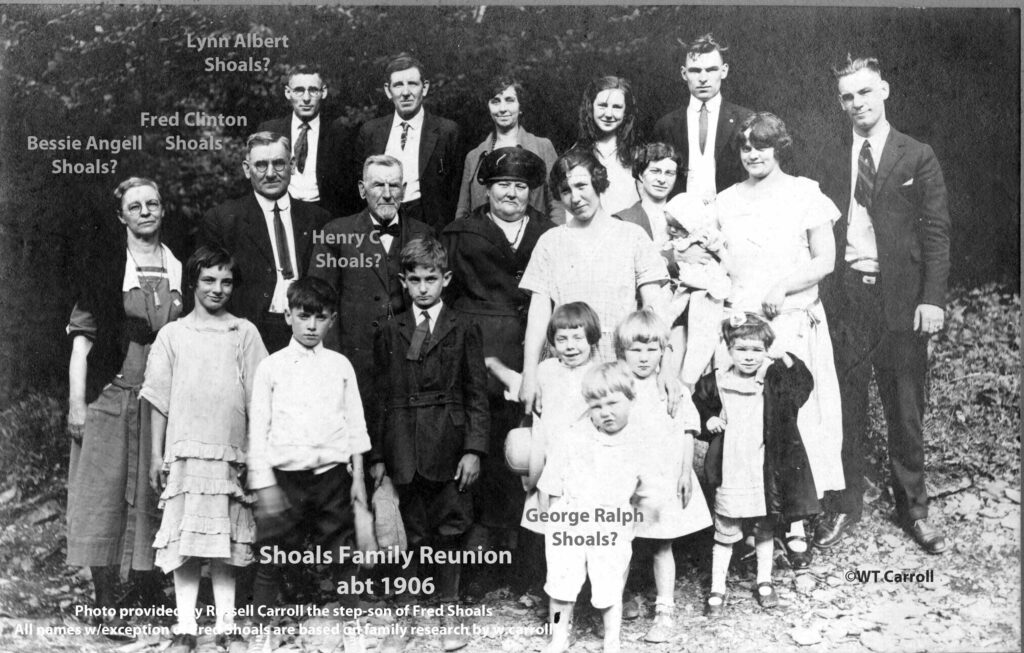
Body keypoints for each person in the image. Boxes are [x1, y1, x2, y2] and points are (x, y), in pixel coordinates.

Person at [815, 56, 951, 555]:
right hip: (848, 295)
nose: (857, 104)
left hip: (900, 297)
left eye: (865, 93)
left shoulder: (916, 155)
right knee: (846, 404)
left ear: (885, 91)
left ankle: (912, 507)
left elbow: (936, 233)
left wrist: (931, 299)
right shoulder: (830, 153)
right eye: (848, 97)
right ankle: (846, 502)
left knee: (905, 404)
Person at [715, 112, 846, 568]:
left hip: (790, 320)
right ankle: (754, 521)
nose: (753, 153)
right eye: (745, 146)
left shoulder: (804, 194)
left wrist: (783, 287)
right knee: (750, 424)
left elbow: (825, 260)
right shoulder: (727, 200)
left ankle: (795, 519)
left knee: (793, 420)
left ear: (779, 146)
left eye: (762, 145)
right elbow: (721, 261)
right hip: (744, 328)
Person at [66, 177, 183, 638]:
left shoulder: (177, 266)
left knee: (154, 493)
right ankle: (105, 600)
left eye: (153, 203)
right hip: (111, 394)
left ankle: (148, 589)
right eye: (135, 206)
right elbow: (82, 342)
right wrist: (78, 404)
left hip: (160, 398)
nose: (146, 212)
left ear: (162, 210)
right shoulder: (105, 265)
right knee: (102, 493)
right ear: (122, 216)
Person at [143, 246, 267, 652]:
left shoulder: (244, 333)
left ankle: (228, 626)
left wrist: (254, 453)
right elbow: (158, 400)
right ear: (193, 281)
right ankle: (185, 627)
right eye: (209, 280)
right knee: (186, 542)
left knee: (224, 542)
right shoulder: (173, 335)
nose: (218, 289)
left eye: (226, 281)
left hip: (229, 453)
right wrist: (157, 456)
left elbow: (258, 399)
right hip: (184, 452)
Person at [442, 147, 555, 589]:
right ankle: (478, 570)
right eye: (503, 184)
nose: (511, 193)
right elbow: (444, 299)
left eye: (521, 186)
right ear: (485, 187)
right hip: (477, 358)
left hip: (536, 354)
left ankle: (529, 568)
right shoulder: (459, 233)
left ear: (533, 192)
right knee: (481, 453)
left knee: (531, 458)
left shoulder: (549, 232)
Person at [369, 237, 489, 652]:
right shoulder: (389, 329)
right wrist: (379, 456)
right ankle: (405, 610)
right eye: (415, 280)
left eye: (431, 279)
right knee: (410, 530)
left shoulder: (463, 326)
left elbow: (476, 392)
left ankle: (449, 607)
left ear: (446, 279)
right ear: (403, 281)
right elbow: (380, 397)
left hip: (450, 444)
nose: (423, 288)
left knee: (451, 527)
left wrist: (474, 448)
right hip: (403, 443)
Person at [245, 276, 371, 653]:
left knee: (343, 555)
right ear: (288, 316)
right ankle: (262, 632)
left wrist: (358, 478)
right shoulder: (271, 367)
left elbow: (355, 423)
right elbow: (258, 430)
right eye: (304, 316)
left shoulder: (340, 365)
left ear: (332, 320)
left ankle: (353, 628)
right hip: (285, 477)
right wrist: (263, 483)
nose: (312, 326)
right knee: (271, 555)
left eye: (321, 318)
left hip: (332, 475)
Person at [518, 149, 670, 413]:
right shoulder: (551, 242)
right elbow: (539, 314)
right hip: (569, 361)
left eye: (581, 185)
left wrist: (667, 367)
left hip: (621, 363)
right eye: (565, 190)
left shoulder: (632, 236)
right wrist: (529, 375)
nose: (575, 198)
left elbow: (655, 310)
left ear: (598, 183)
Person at [691, 315, 817, 617]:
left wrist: (784, 358)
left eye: (757, 350)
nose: (749, 356)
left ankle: (764, 581)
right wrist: (708, 420)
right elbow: (698, 404)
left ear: (766, 351)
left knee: (764, 528)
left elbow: (802, 387)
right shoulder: (717, 381)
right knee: (725, 530)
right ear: (728, 349)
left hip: (763, 468)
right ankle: (717, 588)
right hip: (730, 468)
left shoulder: (772, 379)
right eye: (741, 349)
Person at [308, 154, 432, 413]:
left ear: (405, 190)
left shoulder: (424, 233)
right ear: (362, 190)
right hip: (354, 362)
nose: (387, 194)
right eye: (378, 185)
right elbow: (320, 303)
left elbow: (432, 303)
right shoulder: (335, 233)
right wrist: (332, 364)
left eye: (394, 186)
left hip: (409, 362)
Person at [615, 310, 711, 642]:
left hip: (664, 476)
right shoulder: (618, 387)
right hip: (627, 480)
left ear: (662, 351)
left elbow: (686, 430)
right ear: (622, 351)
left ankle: (664, 612)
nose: (643, 358)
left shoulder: (673, 389)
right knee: (619, 543)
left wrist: (685, 472)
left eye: (651, 349)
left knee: (661, 545)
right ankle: (612, 607)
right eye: (635, 350)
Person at [537, 362, 645, 653]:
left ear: (631, 400)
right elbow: (550, 479)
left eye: (613, 403)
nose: (605, 412)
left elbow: (647, 485)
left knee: (610, 583)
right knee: (561, 581)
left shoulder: (639, 440)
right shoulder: (575, 435)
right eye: (597, 406)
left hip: (611, 520)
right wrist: (550, 516)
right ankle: (559, 637)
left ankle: (612, 640)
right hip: (570, 517)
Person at [200, 131, 331, 353]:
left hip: (306, 330)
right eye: (261, 165)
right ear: (246, 168)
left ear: (292, 164)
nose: (270, 174)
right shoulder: (223, 220)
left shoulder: (318, 219)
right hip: (248, 333)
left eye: (279, 164)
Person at [354, 53, 462, 232]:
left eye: (412, 84)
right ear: (388, 91)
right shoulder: (371, 132)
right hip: (382, 221)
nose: (405, 92)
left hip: (429, 225)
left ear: (424, 88)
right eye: (398, 85)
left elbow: (455, 191)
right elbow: (361, 188)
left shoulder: (447, 131)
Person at [652, 33, 753, 200]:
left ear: (724, 71)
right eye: (695, 70)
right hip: (679, 219)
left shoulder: (746, 120)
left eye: (711, 70)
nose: (703, 78)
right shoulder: (666, 125)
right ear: (684, 74)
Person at [455, 76, 559, 221]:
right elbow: (463, 210)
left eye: (509, 100)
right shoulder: (474, 156)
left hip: (533, 239)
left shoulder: (542, 147)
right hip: (483, 240)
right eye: (495, 102)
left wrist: (552, 239)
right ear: (488, 107)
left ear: (520, 106)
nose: (503, 109)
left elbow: (557, 203)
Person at [258, 66, 355, 217]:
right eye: (299, 90)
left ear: (323, 92)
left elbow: (348, 189)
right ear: (287, 93)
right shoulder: (270, 130)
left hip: (326, 215)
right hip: (281, 212)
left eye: (313, 90)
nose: (306, 98)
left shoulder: (340, 133)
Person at [662, 192, 732, 388]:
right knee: (667, 323)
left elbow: (725, 258)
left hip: (705, 291)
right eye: (670, 225)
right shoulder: (674, 243)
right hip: (683, 290)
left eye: (678, 227)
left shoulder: (705, 236)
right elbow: (659, 255)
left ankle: (691, 377)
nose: (673, 230)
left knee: (703, 334)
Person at [573, 76, 642, 217]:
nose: (609, 114)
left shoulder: (638, 154)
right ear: (590, 107)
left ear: (626, 112)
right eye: (603, 105)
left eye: (617, 107)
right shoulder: (576, 154)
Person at [613, 142, 682, 251]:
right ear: (640, 175)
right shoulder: (622, 220)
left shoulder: (684, 218)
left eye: (669, 173)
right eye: (655, 171)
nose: (662, 180)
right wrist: (674, 258)